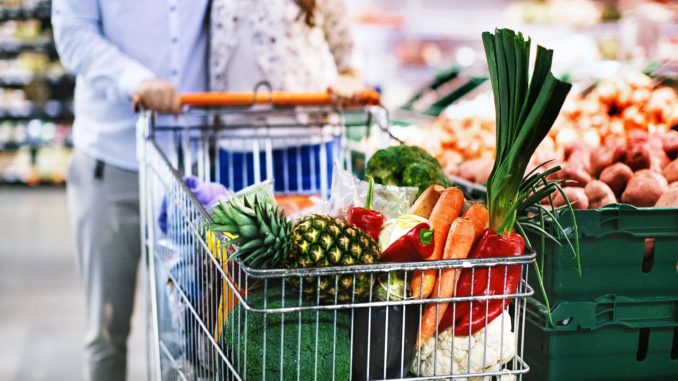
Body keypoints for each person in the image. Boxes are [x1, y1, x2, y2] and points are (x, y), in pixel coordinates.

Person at [51, 1, 209, 380]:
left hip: (189, 173)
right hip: (110, 161)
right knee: (106, 332)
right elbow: (73, 32)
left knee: (186, 336)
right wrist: (134, 79)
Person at [209, 0, 365, 195]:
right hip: (237, 143)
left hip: (307, 142)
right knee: (232, 224)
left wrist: (349, 76)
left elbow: (345, 41)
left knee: (314, 222)